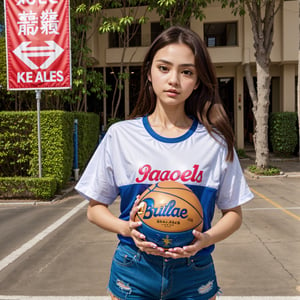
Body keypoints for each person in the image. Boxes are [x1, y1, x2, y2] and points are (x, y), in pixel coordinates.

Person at [75, 26, 254, 300]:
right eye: (164, 68)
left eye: (186, 72)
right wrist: (125, 228)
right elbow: (94, 208)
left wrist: (206, 239)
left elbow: (234, 214)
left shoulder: (215, 142)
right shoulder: (121, 135)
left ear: (197, 81)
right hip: (134, 267)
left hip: (193, 269)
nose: (174, 80)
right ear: (149, 73)